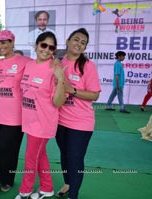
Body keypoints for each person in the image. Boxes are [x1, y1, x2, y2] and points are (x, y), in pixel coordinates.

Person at [15, 31, 66, 199]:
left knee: (30, 157)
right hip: (29, 120)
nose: (47, 50)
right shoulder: (29, 64)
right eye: (44, 45)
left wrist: (61, 79)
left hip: (43, 123)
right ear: (36, 45)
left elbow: (59, 101)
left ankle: (25, 191)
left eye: (51, 47)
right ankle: (47, 187)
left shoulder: (55, 68)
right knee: (40, 155)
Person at [55, 28, 101, 199]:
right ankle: (68, 183)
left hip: (81, 123)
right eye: (76, 40)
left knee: (75, 159)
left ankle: (73, 195)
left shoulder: (87, 66)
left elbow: (95, 94)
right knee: (64, 156)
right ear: (67, 41)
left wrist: (72, 90)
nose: (79, 44)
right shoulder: (59, 63)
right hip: (60, 121)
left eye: (83, 43)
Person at [0, 30, 32, 196]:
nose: (1, 46)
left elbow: (42, 66)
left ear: (13, 42)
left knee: (10, 149)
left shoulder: (25, 61)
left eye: (4, 42)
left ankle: (6, 179)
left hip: (16, 117)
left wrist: (56, 63)